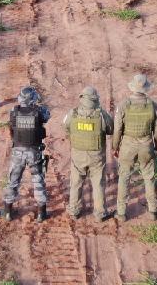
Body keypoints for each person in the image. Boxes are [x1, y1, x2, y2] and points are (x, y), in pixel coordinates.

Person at [112, 74, 157, 221]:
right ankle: (153, 210)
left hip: (127, 146)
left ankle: (121, 212)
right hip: (146, 145)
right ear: (145, 88)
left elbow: (117, 129)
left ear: (132, 87)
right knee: (149, 177)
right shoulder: (153, 105)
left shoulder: (123, 105)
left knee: (124, 177)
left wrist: (115, 147)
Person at [64, 86, 113, 221]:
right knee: (98, 183)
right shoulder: (101, 114)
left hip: (78, 154)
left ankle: (74, 210)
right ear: (95, 99)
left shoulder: (72, 113)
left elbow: (66, 127)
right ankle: (100, 213)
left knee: (76, 182)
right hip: (96, 155)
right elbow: (110, 129)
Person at [3, 86, 51, 221]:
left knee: (13, 180)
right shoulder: (39, 111)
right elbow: (47, 115)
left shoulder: (14, 111)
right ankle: (42, 213)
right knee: (38, 180)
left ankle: (7, 211)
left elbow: (11, 126)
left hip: (18, 151)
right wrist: (39, 104)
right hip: (34, 151)